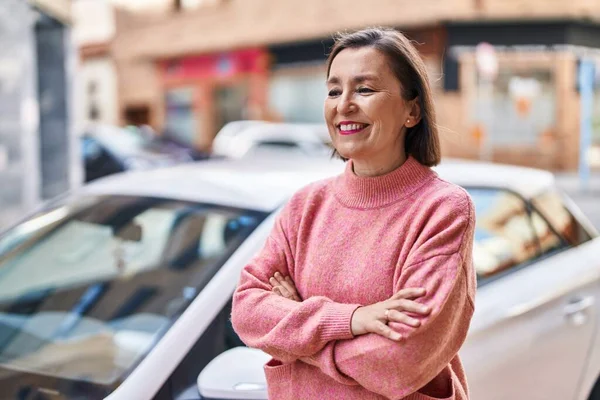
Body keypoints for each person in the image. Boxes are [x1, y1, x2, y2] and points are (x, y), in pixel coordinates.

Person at [231, 27, 476, 400]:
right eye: (333, 90)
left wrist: (296, 332)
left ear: (411, 110)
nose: (343, 104)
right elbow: (247, 310)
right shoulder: (305, 205)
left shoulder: (442, 210)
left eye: (364, 89)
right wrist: (350, 320)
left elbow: (402, 358)